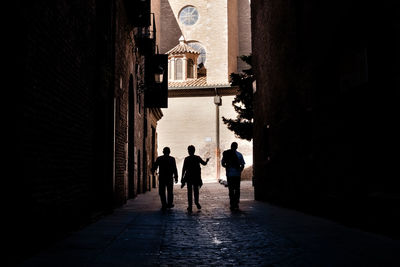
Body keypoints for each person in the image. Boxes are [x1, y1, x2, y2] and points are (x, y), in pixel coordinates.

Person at [181, 145, 210, 212]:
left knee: (189, 192)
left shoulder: (187, 159)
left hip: (189, 177)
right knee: (196, 191)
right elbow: (204, 164)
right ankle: (196, 202)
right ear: (194, 151)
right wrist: (207, 160)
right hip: (196, 177)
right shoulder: (197, 158)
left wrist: (182, 178)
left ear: (188, 151)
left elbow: (184, 169)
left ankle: (190, 206)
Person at [152, 147, 178, 211]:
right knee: (170, 191)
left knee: (162, 191)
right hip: (169, 177)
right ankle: (169, 204)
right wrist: (176, 177)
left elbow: (155, 167)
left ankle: (164, 204)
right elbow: (175, 169)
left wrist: (152, 171)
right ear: (169, 152)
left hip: (162, 177)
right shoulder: (172, 159)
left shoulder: (159, 158)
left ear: (163, 152)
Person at [221, 142, 245, 211]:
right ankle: (236, 203)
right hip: (237, 175)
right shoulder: (239, 155)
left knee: (231, 189)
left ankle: (232, 204)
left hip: (229, 175)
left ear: (231, 146)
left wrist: (227, 167)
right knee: (237, 189)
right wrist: (240, 171)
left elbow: (223, 163)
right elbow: (242, 165)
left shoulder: (226, 154)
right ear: (236, 147)